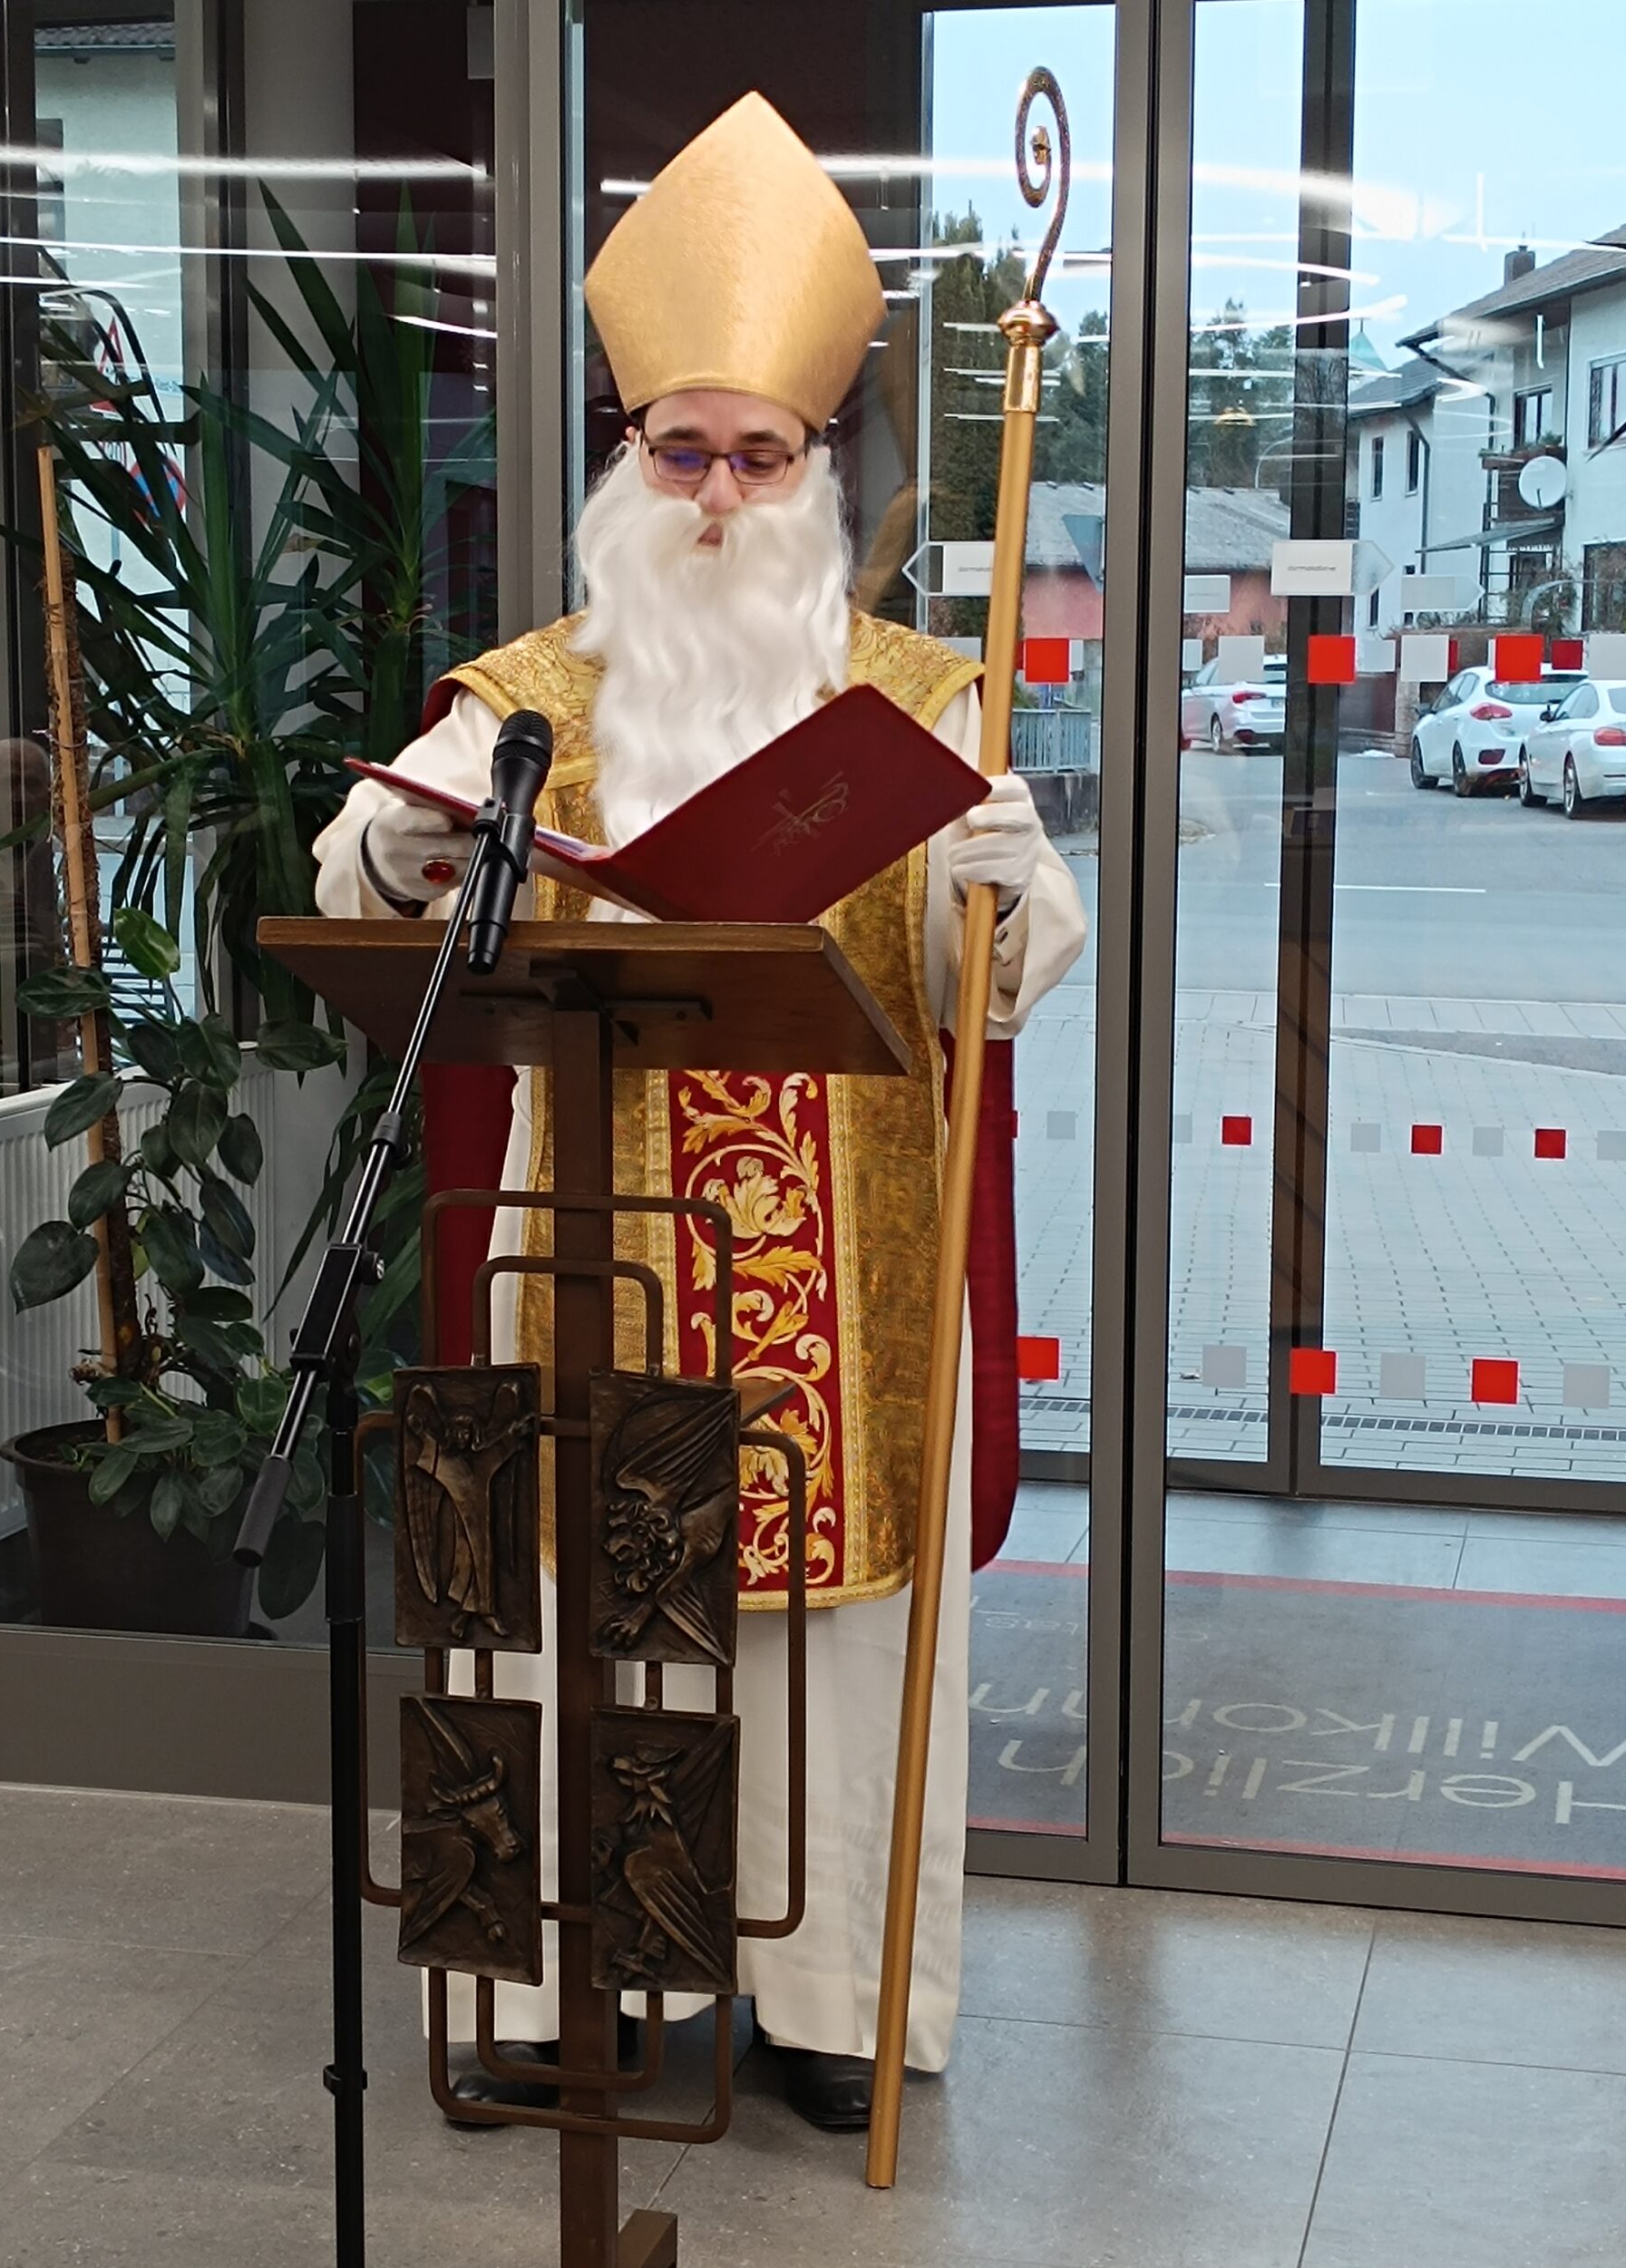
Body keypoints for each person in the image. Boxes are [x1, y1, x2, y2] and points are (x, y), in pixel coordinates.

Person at [313, 92, 1086, 2131]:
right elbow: (358, 863)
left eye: (763, 452)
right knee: (587, 1618)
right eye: (684, 451)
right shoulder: (527, 695)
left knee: (819, 1649)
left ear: (823, 470)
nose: (723, 490)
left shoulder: (924, 700)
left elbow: (999, 972)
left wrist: (1008, 879)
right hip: (596, 1240)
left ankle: (828, 2002)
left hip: (838, 1256)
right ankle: (601, 1978)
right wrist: (393, 862)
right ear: (625, 464)